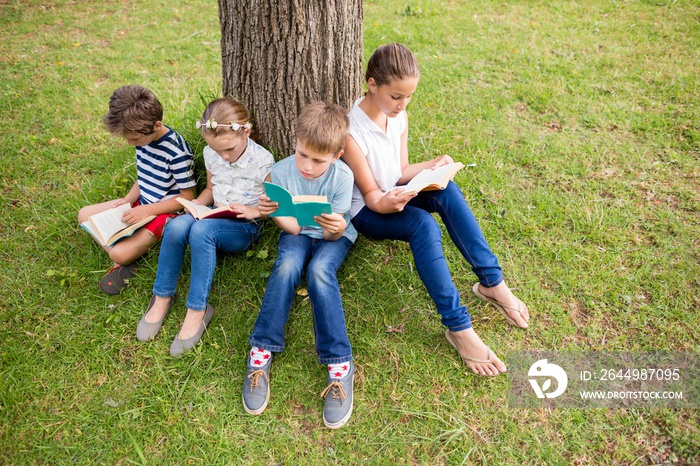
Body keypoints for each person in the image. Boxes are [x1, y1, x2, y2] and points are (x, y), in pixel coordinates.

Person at [342, 43, 530, 377]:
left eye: (408, 97)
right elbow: (371, 195)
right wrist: (389, 202)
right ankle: (459, 329)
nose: (402, 104)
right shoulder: (351, 133)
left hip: (395, 191)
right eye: (396, 96)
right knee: (423, 226)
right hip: (369, 210)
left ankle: (492, 282)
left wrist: (433, 166)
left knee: (448, 191)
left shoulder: (397, 117)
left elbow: (399, 170)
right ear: (372, 85)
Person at [242, 102, 357, 429]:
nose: (306, 166)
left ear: (336, 155)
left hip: (333, 236)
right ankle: (261, 351)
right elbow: (292, 229)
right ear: (295, 142)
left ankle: (340, 365)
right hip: (297, 232)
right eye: (301, 154)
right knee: (287, 265)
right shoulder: (280, 172)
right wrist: (273, 211)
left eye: (318, 160)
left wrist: (333, 230)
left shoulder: (342, 177)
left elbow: (334, 230)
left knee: (320, 272)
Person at [136, 97, 275, 357]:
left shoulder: (264, 160)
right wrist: (195, 207)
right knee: (177, 227)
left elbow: (270, 208)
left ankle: (197, 310)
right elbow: (210, 190)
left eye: (229, 150)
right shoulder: (211, 152)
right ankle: (162, 296)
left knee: (201, 231)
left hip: (243, 227)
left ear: (246, 131)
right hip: (212, 213)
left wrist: (254, 210)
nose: (223, 156)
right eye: (217, 150)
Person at [78, 85, 196, 295]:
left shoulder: (177, 152)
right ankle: (125, 246)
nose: (130, 144)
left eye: (133, 140)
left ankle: (124, 259)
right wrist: (128, 199)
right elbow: (145, 175)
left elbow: (187, 198)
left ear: (156, 125)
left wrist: (147, 211)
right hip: (142, 204)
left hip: (165, 213)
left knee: (119, 255)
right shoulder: (144, 138)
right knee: (84, 215)